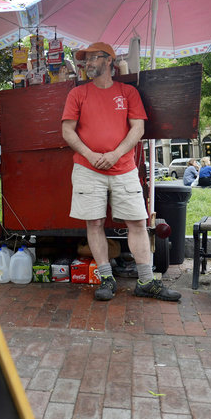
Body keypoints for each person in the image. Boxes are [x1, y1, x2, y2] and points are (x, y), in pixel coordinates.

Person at [61, 41, 181, 303]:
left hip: (124, 167)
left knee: (137, 222)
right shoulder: (77, 94)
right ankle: (106, 279)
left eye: (93, 58)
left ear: (109, 61)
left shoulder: (128, 92)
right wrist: (91, 155)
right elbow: (67, 130)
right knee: (93, 223)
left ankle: (147, 281)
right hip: (86, 168)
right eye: (85, 60)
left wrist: (115, 154)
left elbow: (138, 128)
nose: (87, 63)